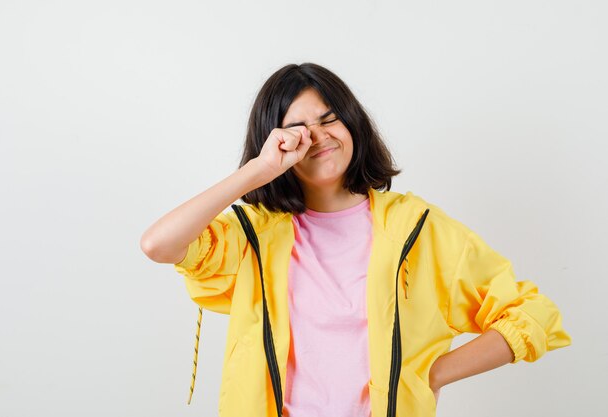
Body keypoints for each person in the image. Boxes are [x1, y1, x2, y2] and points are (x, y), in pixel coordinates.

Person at [140, 62, 572, 417]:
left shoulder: (416, 228)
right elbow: (158, 245)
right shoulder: (254, 233)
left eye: (330, 120)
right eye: (298, 130)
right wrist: (258, 170)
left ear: (353, 124)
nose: (319, 136)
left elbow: (532, 314)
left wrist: (431, 373)